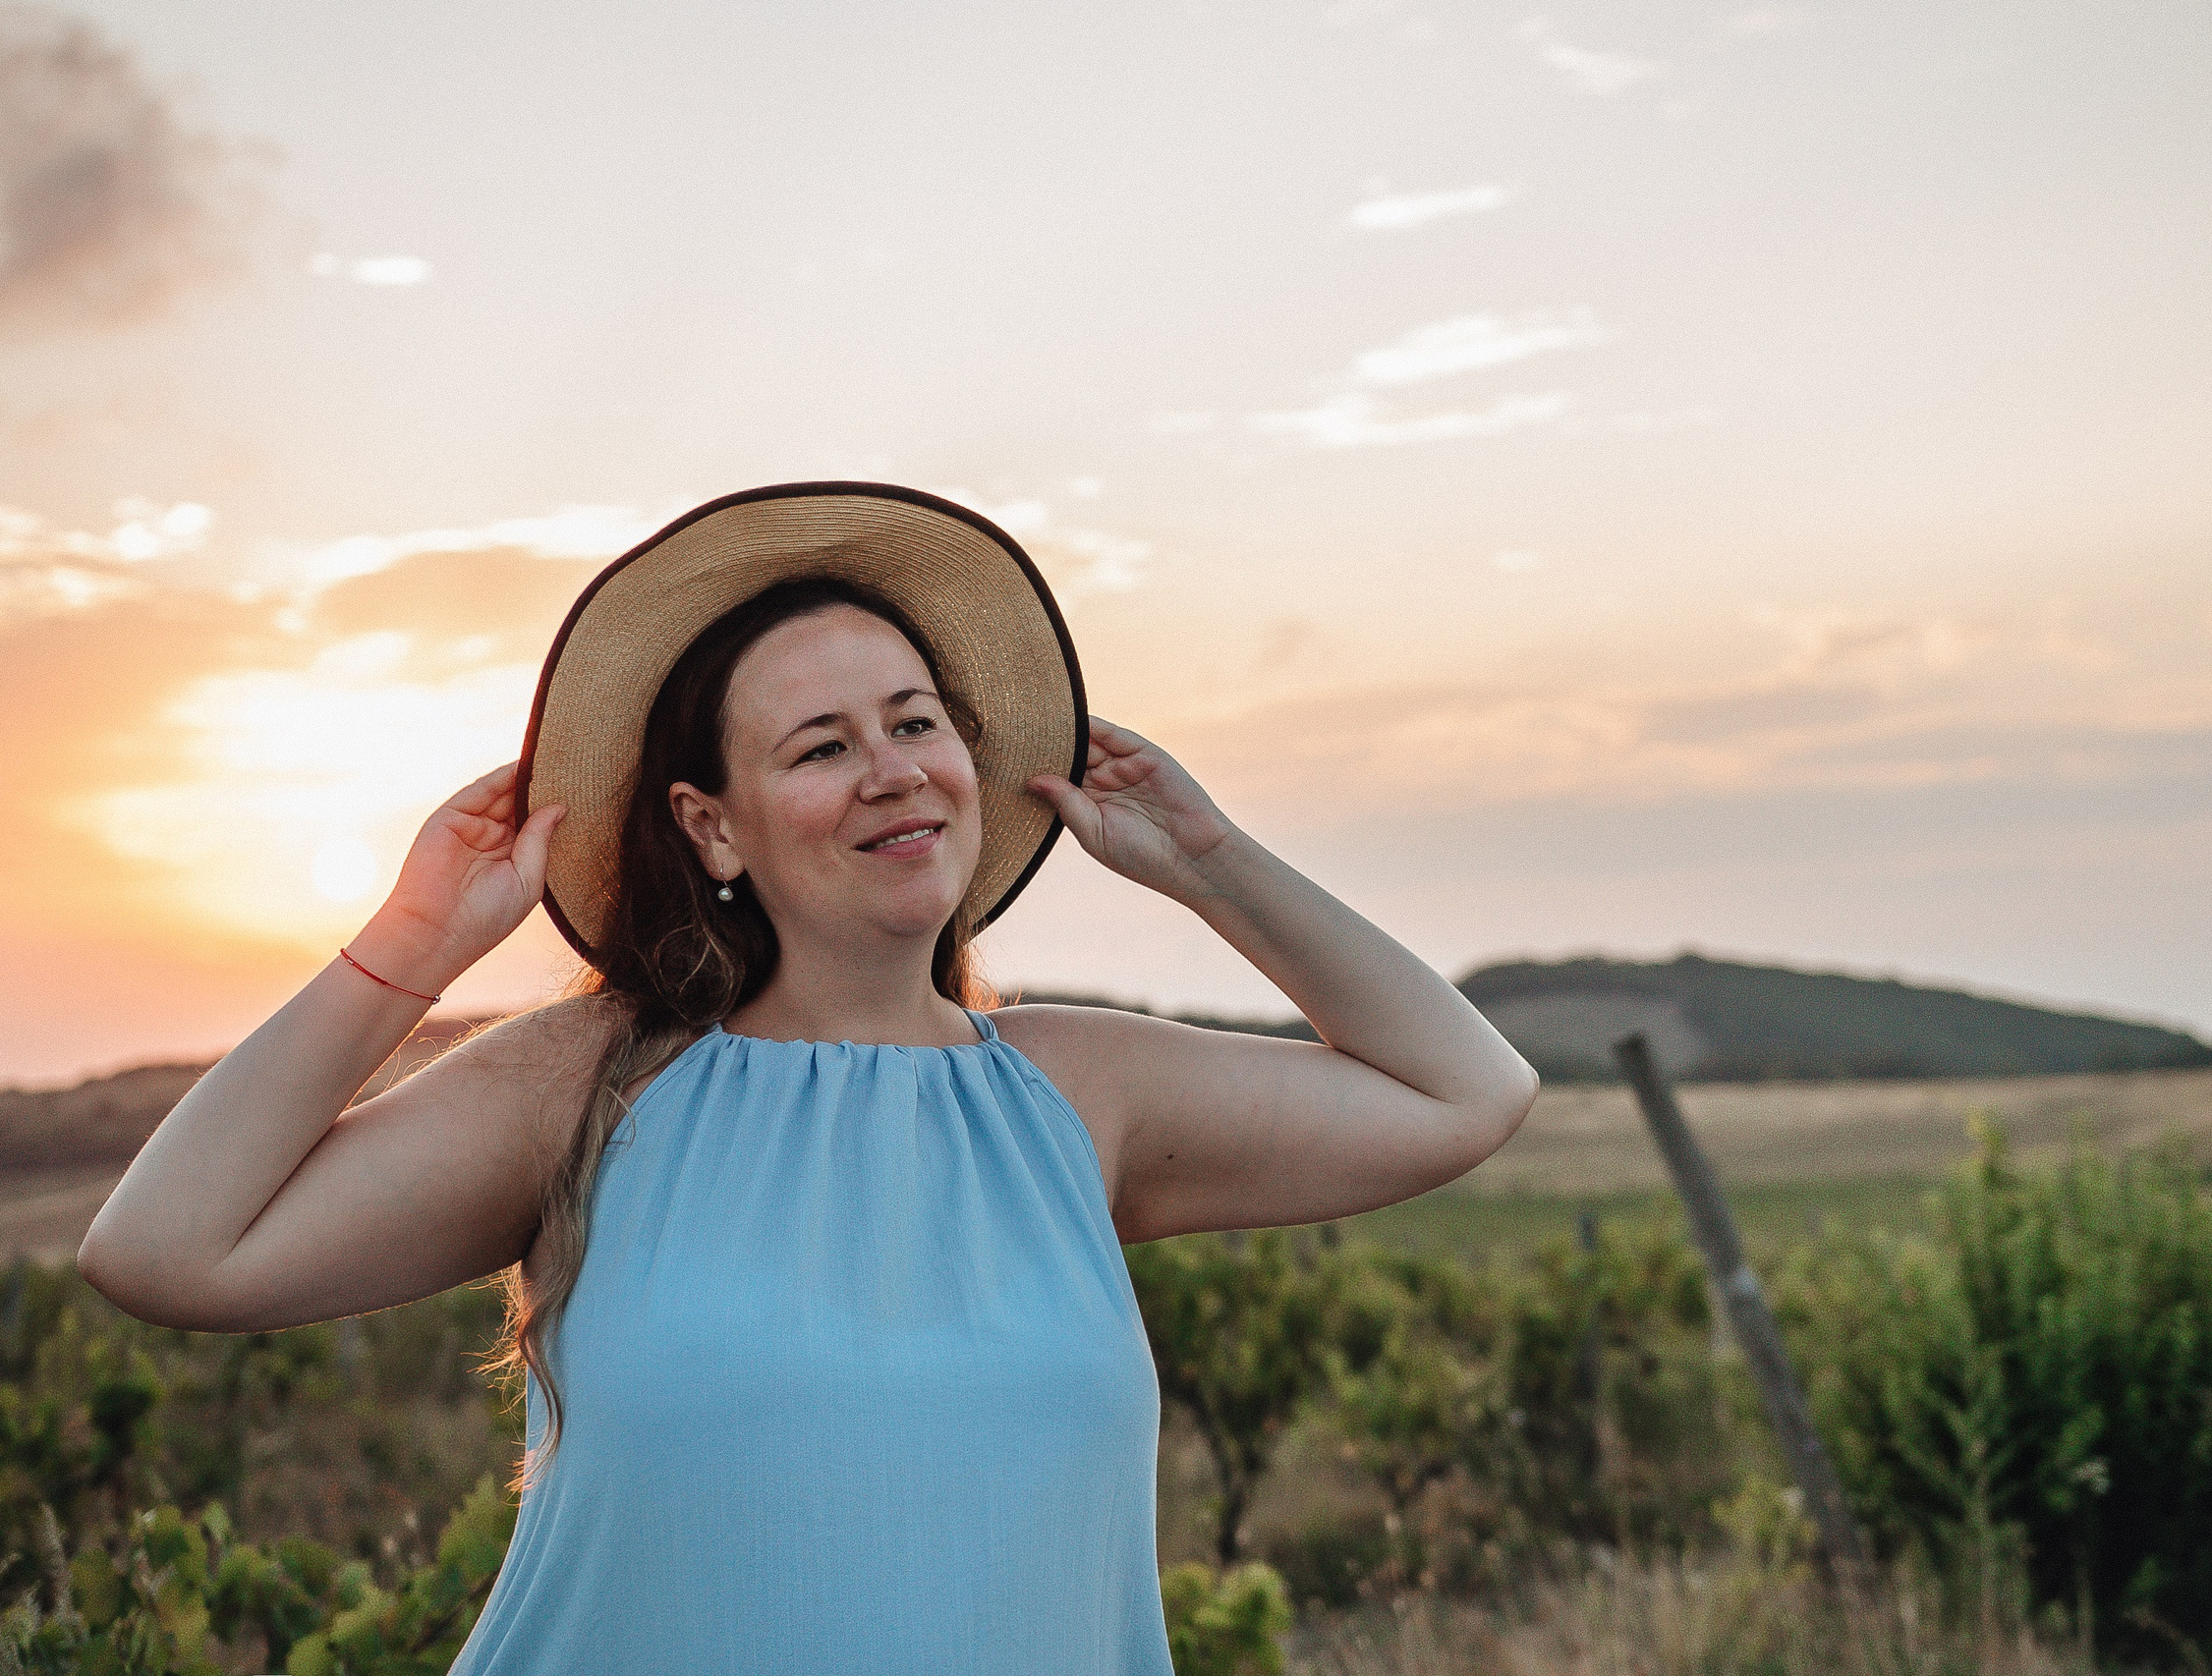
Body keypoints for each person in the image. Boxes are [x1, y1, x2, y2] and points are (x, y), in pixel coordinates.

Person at [77, 482, 1540, 1674]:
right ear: (713, 827)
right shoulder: (592, 1084)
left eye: (916, 721)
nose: (894, 769)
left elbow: (1465, 1091)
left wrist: (1212, 864)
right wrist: (413, 944)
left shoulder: (1078, 1090)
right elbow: (164, 1249)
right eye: (822, 746)